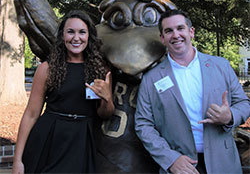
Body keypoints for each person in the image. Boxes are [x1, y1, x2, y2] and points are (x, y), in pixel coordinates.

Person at [135, 9, 250, 174]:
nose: (175, 35)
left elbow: (244, 103)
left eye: (180, 28)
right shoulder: (151, 78)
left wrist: (229, 116)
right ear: (162, 38)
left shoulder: (221, 66)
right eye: (168, 31)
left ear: (191, 32)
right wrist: (170, 158)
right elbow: (143, 124)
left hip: (223, 163)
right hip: (180, 166)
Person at [12, 10, 115, 174]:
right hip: (49, 138)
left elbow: (105, 114)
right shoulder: (47, 68)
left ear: (89, 36)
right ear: (62, 36)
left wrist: (107, 99)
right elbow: (31, 114)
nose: (76, 38)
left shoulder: (100, 69)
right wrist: (17, 160)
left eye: (82, 32)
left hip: (82, 141)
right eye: (70, 32)